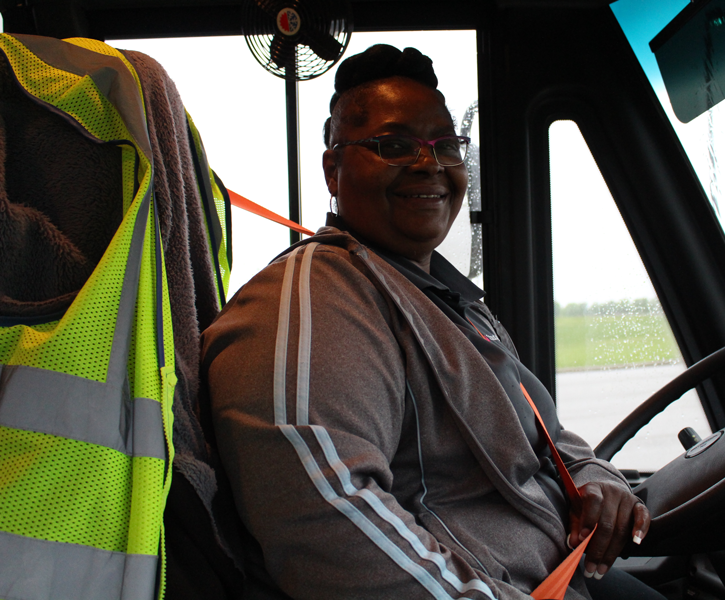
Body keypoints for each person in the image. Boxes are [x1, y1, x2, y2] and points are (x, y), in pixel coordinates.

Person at [201, 44, 661, 600]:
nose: (429, 164)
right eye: (394, 145)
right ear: (333, 169)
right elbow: (327, 519)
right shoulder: (316, 297)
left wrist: (594, 479)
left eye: (446, 146)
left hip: (563, 571)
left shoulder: (453, 301)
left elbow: (545, 437)